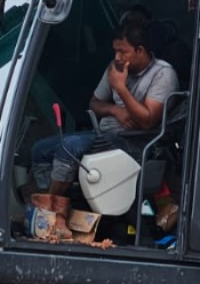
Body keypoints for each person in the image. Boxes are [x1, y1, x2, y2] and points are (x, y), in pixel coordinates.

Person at [29, 20, 178, 197]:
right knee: (40, 150)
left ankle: (51, 209)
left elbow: (147, 121)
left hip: (136, 141)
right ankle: (54, 198)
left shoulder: (163, 73)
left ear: (140, 50)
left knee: (69, 147)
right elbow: (94, 103)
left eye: (122, 52)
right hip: (104, 134)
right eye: (115, 51)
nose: (117, 57)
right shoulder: (115, 67)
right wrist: (115, 111)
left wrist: (121, 88)